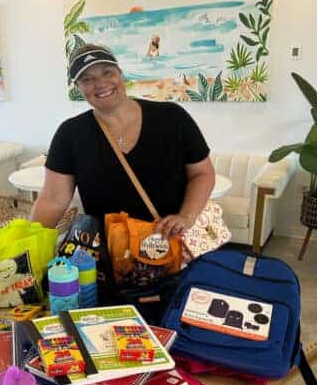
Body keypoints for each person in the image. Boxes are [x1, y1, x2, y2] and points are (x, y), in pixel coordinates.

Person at [30, 43, 215, 239]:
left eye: (107, 72)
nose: (100, 83)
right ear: (78, 87)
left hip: (172, 246)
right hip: (111, 257)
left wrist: (185, 217)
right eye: (87, 79)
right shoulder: (70, 134)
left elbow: (202, 173)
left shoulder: (172, 118)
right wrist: (27, 245)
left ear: (120, 73)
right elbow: (53, 200)